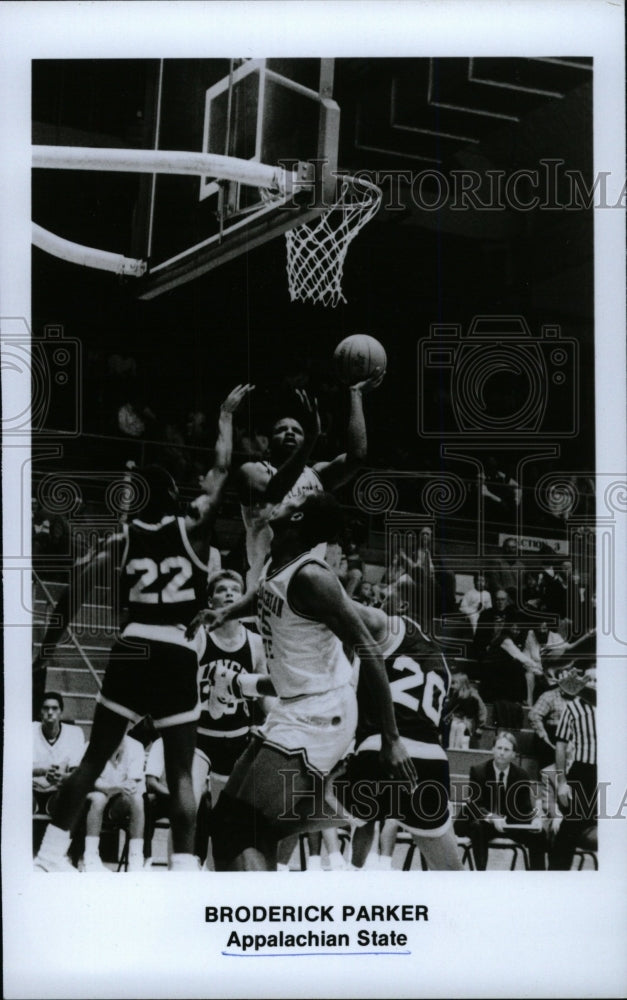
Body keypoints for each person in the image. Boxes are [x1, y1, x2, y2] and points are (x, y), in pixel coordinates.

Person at [33, 384, 253, 872]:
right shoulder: (193, 527)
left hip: (133, 647)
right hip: (176, 649)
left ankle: (48, 856)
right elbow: (220, 469)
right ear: (175, 497)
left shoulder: (122, 538)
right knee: (180, 775)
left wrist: (48, 645)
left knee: (93, 760)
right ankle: (181, 871)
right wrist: (225, 416)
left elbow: (75, 587)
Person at [187, 491, 416, 871]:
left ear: (296, 522)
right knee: (226, 823)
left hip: (321, 713)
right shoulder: (278, 561)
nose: (285, 499)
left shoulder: (312, 577)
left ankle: (261, 920)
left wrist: (391, 738)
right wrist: (226, 612)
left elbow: (370, 650)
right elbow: (262, 594)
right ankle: (245, 904)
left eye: (295, 503)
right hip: (293, 707)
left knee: (246, 828)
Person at [335, 587, 462, 871]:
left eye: (387, 594)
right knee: (453, 875)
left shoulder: (388, 624)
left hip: (382, 750)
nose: (380, 598)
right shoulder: (441, 661)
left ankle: (339, 873)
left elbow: (332, 600)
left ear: (403, 604)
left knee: (280, 815)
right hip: (431, 763)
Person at [237, 371, 383, 587]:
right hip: (265, 586)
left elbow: (357, 457)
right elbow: (274, 491)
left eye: (297, 430)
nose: (289, 433)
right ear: (268, 442)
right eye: (282, 430)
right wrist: (311, 440)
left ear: (304, 438)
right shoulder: (252, 471)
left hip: (306, 586)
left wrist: (356, 395)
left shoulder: (317, 474)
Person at [196, 568, 274, 866]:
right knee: (189, 808)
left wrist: (273, 723)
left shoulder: (254, 642)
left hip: (237, 737)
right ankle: (182, 873)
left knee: (225, 820)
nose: (228, 593)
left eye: (235, 589)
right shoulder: (201, 636)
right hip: (200, 736)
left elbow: (264, 694)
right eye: (221, 590)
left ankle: (218, 878)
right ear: (211, 600)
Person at [457, 731, 546, 870]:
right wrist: (492, 817)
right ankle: (481, 876)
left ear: (513, 754)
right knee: (477, 826)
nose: (502, 753)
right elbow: (474, 804)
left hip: (509, 823)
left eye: (506, 749)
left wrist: (534, 819)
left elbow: (525, 808)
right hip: (485, 824)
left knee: (539, 833)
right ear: (493, 750)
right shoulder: (478, 771)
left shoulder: (521, 775)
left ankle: (538, 880)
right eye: (499, 748)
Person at [548, 667, 597, 870]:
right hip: (583, 771)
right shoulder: (572, 708)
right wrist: (561, 782)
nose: (593, 684)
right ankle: (557, 877)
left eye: (597, 680)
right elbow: (560, 745)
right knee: (571, 826)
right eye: (590, 679)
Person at [75, 734, 145, 872]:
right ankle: (90, 857)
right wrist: (115, 787)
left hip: (119, 799)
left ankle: (135, 859)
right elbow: (89, 780)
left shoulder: (136, 746)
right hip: (94, 796)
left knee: (137, 799)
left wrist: (124, 787)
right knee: (99, 798)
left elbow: (132, 782)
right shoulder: (91, 745)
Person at [32, 692, 85, 849]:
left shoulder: (75, 733)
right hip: (31, 790)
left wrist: (63, 777)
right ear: (39, 712)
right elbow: (14, 768)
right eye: (46, 708)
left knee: (78, 797)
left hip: (57, 792)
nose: (50, 712)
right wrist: (43, 770)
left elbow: (77, 772)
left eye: (54, 708)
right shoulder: (28, 730)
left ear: (61, 712)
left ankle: (70, 854)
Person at [444, 673, 487, 749]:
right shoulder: (455, 694)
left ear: (461, 683)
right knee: (454, 725)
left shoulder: (473, 696)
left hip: (469, 721)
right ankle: (451, 748)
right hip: (456, 721)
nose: (451, 686)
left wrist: (481, 726)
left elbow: (482, 711)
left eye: (454, 683)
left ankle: (457, 749)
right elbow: (448, 708)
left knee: (460, 727)